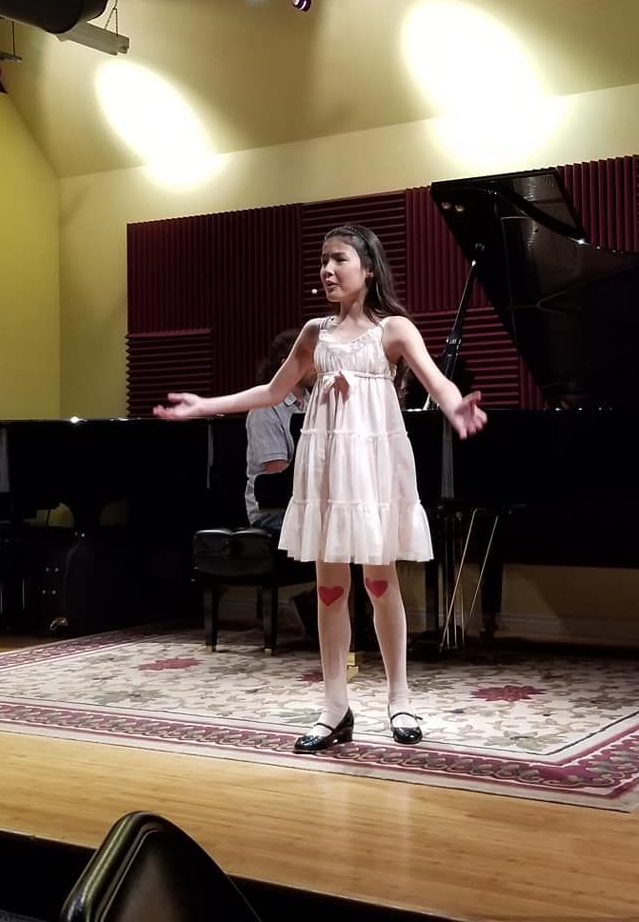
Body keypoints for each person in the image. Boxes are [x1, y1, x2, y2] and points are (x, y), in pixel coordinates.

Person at [154, 224, 487, 753]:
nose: (327, 270)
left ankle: (399, 699)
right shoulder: (315, 333)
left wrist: (454, 406)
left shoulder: (393, 330)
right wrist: (205, 406)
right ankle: (334, 708)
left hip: (372, 468)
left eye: (339, 259)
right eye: (323, 261)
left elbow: (436, 380)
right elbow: (271, 391)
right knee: (330, 589)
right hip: (327, 470)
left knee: (380, 582)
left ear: (368, 268)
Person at [244, 328, 313, 537]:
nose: (318, 366)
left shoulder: (313, 403)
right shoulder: (265, 408)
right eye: (311, 359)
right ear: (288, 365)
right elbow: (277, 473)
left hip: (307, 502)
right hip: (272, 510)